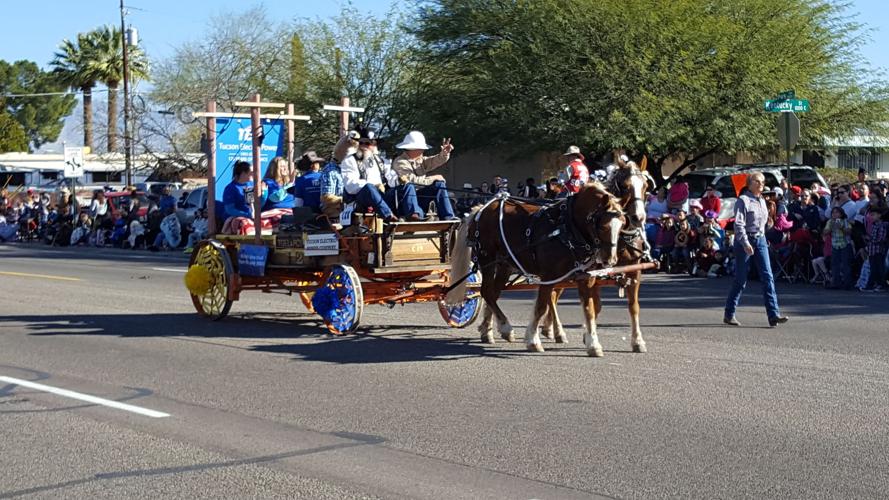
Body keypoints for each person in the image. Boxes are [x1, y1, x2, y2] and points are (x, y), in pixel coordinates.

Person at [724, 172, 788, 328]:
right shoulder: (743, 200)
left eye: (763, 182)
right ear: (749, 183)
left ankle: (773, 315)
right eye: (758, 181)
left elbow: (764, 222)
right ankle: (729, 313)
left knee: (768, 277)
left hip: (760, 240)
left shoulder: (762, 200)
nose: (761, 184)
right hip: (745, 240)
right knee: (741, 280)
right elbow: (739, 224)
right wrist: (745, 243)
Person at [341, 130, 419, 223]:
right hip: (361, 200)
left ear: (374, 145)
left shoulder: (381, 161)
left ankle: (413, 215)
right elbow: (350, 185)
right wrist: (375, 186)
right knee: (369, 188)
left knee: (408, 186)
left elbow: (391, 179)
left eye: (367, 143)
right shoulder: (349, 160)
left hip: (381, 199)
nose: (364, 146)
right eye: (361, 143)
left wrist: (399, 180)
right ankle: (389, 216)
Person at [392, 131, 457, 220]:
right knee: (412, 186)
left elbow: (434, 161)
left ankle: (448, 216)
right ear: (412, 149)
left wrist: (444, 154)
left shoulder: (420, 160)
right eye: (421, 148)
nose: (423, 150)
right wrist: (433, 178)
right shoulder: (400, 162)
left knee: (439, 184)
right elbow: (412, 181)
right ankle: (414, 215)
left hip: (421, 197)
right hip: (406, 201)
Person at [824, 206, 853, 290]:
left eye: (837, 212)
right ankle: (835, 283)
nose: (834, 214)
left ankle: (847, 284)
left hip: (845, 244)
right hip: (835, 245)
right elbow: (825, 232)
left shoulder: (845, 221)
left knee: (845, 264)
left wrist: (841, 227)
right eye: (833, 213)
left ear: (841, 214)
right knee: (834, 264)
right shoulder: (830, 222)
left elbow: (849, 232)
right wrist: (830, 228)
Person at [860, 209, 888, 292]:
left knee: (878, 269)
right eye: (871, 215)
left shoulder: (882, 226)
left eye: (873, 215)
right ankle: (879, 285)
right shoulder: (874, 225)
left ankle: (873, 285)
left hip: (878, 250)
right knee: (874, 268)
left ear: (879, 215)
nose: (871, 217)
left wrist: (869, 239)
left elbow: (880, 239)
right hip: (872, 250)